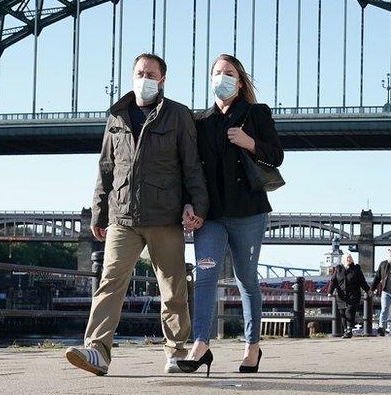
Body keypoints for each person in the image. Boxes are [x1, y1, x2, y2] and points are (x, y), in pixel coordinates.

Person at [65, 53, 208, 376]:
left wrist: (197, 205)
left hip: (165, 215)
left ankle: (175, 351)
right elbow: (105, 168)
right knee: (110, 282)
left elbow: (192, 165)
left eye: (151, 73)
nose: (145, 78)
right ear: (132, 76)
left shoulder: (178, 115)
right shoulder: (116, 116)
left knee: (172, 288)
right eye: (140, 72)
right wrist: (99, 212)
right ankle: (97, 351)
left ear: (162, 80)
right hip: (123, 216)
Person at [178, 53, 284, 376]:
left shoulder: (256, 114)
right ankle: (200, 344)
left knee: (245, 278)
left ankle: (252, 345)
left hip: (247, 213)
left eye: (229, 73)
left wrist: (250, 143)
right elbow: (189, 169)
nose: (222, 77)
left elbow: (276, 155)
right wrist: (187, 203)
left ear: (239, 82)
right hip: (210, 215)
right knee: (206, 274)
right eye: (217, 72)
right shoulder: (200, 122)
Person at [326, 253, 373, 338]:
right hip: (341, 296)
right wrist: (330, 291)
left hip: (353, 295)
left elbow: (362, 281)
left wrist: (368, 290)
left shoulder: (356, 269)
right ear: (343, 259)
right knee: (342, 313)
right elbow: (333, 281)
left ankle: (349, 330)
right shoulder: (338, 269)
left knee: (349, 311)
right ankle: (345, 330)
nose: (349, 259)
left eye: (350, 258)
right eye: (347, 258)